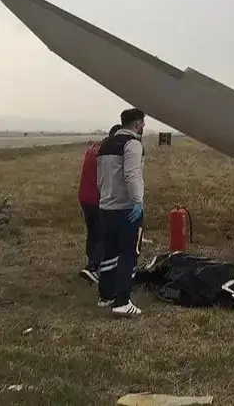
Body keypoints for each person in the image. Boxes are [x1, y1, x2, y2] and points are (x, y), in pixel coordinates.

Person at [96, 108, 146, 316]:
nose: (143, 127)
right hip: (126, 209)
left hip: (106, 207)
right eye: (142, 123)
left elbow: (100, 178)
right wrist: (138, 201)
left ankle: (105, 296)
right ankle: (122, 301)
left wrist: (105, 197)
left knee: (109, 252)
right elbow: (132, 174)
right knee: (128, 254)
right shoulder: (132, 144)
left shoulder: (105, 144)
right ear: (136, 124)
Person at [77, 124, 121, 284]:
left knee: (93, 232)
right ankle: (93, 268)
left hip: (84, 196)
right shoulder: (108, 151)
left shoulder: (93, 147)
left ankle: (91, 264)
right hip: (98, 198)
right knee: (104, 233)